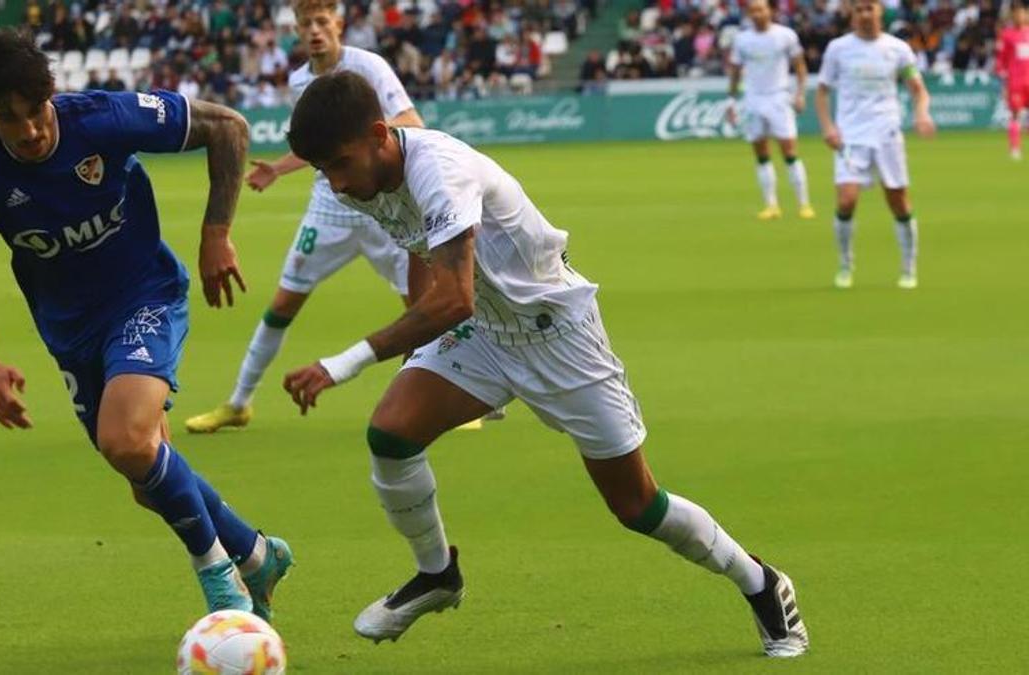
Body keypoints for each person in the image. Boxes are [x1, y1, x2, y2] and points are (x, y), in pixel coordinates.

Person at [280, 71, 810, 658]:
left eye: (338, 164)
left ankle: (761, 583)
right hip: (483, 333)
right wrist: (418, 336)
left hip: (559, 338)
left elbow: (451, 295)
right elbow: (434, 267)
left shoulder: (441, 170)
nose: (334, 182)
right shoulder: (366, 179)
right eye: (321, 171)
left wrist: (343, 363)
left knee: (638, 506)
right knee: (391, 433)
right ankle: (437, 576)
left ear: (381, 134)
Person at [0, 28, 292, 621]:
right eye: (7, 118)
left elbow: (228, 127)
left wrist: (216, 235)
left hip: (143, 295)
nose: (27, 131)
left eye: (35, 112)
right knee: (144, 473)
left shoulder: (101, 118)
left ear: (52, 95)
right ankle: (256, 553)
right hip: (71, 332)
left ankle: (221, 580)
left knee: (125, 440)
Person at [183, 0, 421, 433]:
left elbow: (410, 120)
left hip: (380, 210)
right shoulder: (299, 80)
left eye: (322, 22)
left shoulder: (369, 66)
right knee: (282, 304)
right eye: (306, 23)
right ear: (296, 30)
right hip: (330, 208)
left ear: (339, 26)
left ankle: (434, 397)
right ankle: (238, 402)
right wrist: (276, 168)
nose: (314, 30)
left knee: (420, 306)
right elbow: (319, 144)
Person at [816, 0, 935, 290]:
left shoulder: (897, 49)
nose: (865, 14)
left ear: (880, 12)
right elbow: (821, 93)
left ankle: (908, 266)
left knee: (898, 201)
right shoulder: (838, 49)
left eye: (870, 8)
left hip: (887, 134)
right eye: (859, 9)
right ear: (852, 15)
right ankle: (845, 264)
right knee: (846, 200)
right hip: (851, 137)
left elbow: (918, 91)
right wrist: (829, 127)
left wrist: (922, 114)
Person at [726, 0, 814, 220]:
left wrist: (800, 93)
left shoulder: (785, 35)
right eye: (753, 10)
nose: (757, 14)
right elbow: (735, 72)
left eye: (761, 9)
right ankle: (771, 205)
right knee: (761, 154)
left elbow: (800, 66)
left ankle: (804, 203)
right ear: (748, 13)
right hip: (753, 99)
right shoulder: (742, 39)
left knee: (790, 152)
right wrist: (731, 100)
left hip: (779, 98)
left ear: (770, 11)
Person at [996, 4, 1029, 160]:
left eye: (1022, 14)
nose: (1019, 17)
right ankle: (1015, 149)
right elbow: (1001, 61)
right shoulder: (1007, 35)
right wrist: (1004, 83)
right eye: (1016, 15)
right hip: (1016, 82)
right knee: (1015, 115)